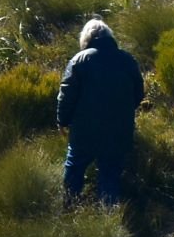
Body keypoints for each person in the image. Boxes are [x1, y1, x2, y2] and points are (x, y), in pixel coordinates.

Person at [55, 19, 144, 203]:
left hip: (84, 131)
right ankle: (108, 218)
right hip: (119, 131)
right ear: (110, 37)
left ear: (86, 38)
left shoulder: (79, 60)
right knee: (110, 175)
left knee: (75, 168)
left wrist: (62, 121)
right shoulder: (127, 60)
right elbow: (138, 94)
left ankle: (69, 208)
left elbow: (66, 96)